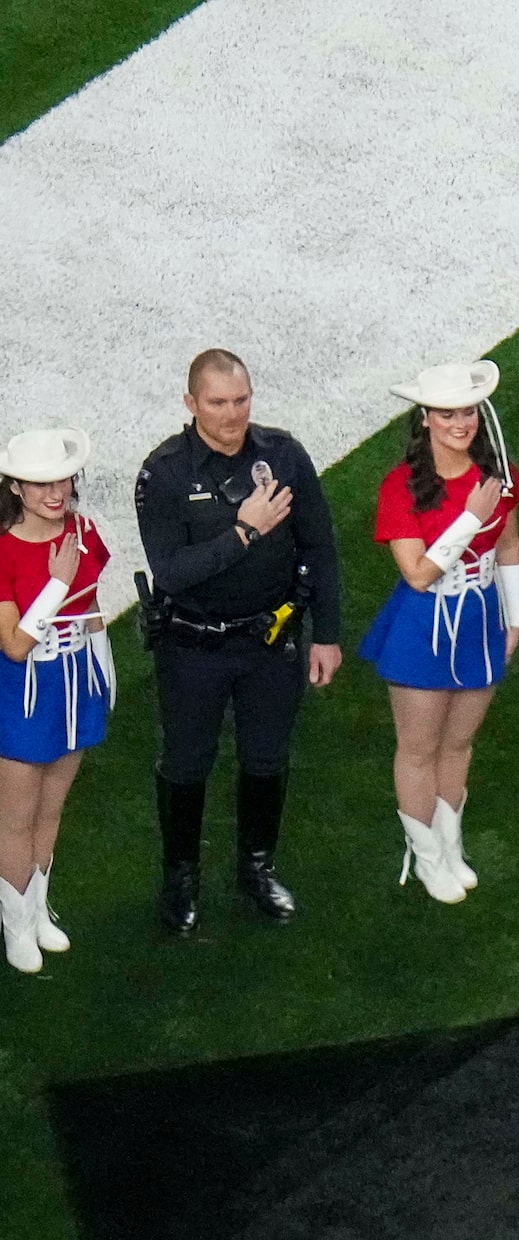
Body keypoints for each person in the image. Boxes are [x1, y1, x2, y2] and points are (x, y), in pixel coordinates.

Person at [134, 348, 342, 934]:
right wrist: (245, 530)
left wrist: (327, 633)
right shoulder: (165, 472)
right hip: (192, 648)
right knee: (186, 763)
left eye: (242, 400)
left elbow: (319, 547)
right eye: (219, 403)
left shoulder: (284, 455)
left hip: (270, 642)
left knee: (267, 756)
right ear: (191, 403)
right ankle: (180, 878)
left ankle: (256, 867)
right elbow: (173, 572)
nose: (232, 415)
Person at [358, 360, 519, 902]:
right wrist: (469, 518)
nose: (461, 422)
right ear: (426, 419)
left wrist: (515, 618)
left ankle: (451, 846)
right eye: (448, 413)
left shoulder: (497, 476)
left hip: (479, 617)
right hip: (423, 623)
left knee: (459, 744)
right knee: (418, 748)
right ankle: (427, 854)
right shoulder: (401, 487)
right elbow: (417, 573)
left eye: (468, 411)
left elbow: (508, 546)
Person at [0, 429, 112, 970]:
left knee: (51, 810)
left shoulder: (85, 530)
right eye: (40, 483)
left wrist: (101, 673)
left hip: (74, 684)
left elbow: (91, 611)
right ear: (16, 488)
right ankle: (15, 927)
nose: (55, 492)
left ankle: (39, 911)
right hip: (23, 692)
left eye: (62, 478)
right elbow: (16, 646)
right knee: (16, 818)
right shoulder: (1, 547)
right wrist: (55, 584)